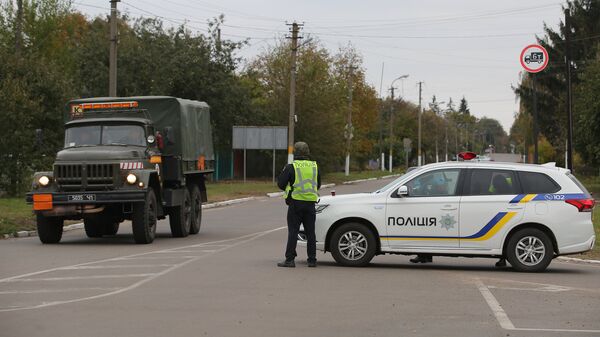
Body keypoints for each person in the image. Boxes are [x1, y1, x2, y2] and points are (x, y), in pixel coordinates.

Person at [277, 142, 321, 268]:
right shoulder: (314, 166)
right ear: (308, 152)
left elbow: (281, 184)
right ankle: (312, 260)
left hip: (296, 203)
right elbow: (317, 185)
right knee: (311, 232)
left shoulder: (292, 167)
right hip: (310, 204)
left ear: (295, 152)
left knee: (293, 231)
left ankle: (290, 260)